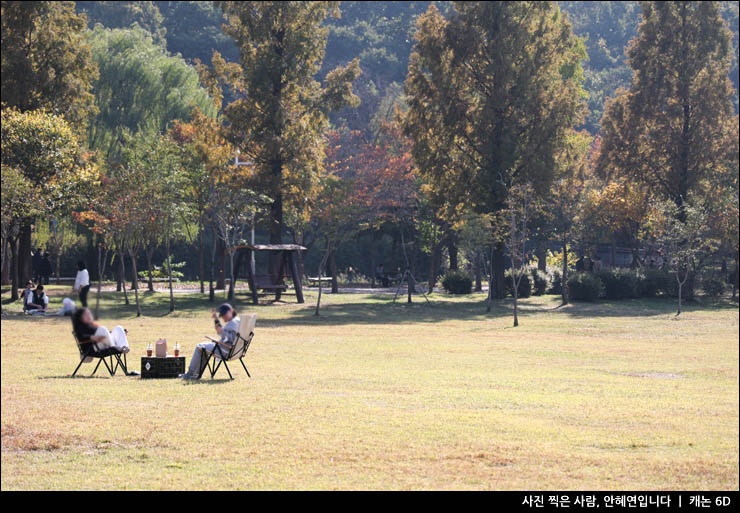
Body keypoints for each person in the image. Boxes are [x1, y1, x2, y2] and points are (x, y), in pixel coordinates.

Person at [179, 303, 240, 380]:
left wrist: (221, 332)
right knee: (203, 347)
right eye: (223, 315)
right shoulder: (237, 321)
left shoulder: (233, 323)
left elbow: (228, 337)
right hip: (232, 351)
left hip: (225, 350)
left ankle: (191, 373)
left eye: (225, 314)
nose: (224, 316)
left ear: (231, 311)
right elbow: (226, 334)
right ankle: (195, 374)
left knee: (199, 346)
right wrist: (216, 320)